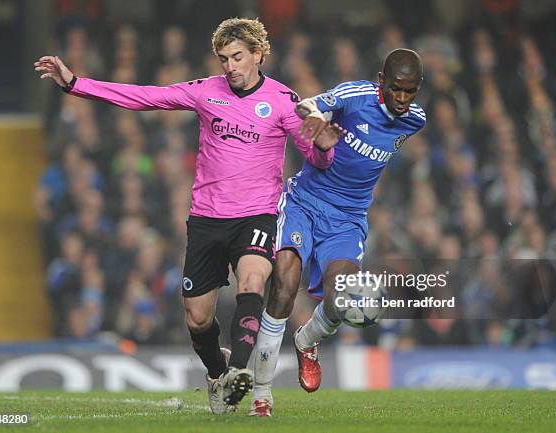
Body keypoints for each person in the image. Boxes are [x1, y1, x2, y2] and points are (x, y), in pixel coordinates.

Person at [35, 18, 341, 413]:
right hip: (206, 218)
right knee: (197, 319)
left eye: (237, 57)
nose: (230, 66)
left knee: (252, 281)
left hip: (258, 215)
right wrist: (75, 83)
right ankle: (217, 373)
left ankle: (237, 371)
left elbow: (317, 155)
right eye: (223, 59)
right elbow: (143, 97)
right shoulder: (205, 91)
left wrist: (326, 147)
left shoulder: (284, 100)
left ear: (258, 55)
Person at [249, 49, 426, 417]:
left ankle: (306, 341)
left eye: (410, 91)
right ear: (381, 81)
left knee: (341, 301)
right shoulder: (355, 96)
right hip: (305, 202)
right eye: (396, 89)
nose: (403, 99)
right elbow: (306, 105)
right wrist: (317, 126)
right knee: (284, 282)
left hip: (348, 219)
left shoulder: (415, 120)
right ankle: (261, 393)